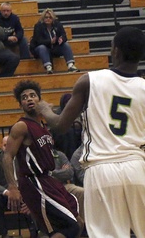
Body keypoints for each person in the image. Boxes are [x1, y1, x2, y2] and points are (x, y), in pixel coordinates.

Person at [36, 26, 145, 237]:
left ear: (116, 51)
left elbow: (60, 126)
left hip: (102, 169)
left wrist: (44, 110)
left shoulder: (90, 80)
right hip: (137, 168)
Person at [3, 80, 81, 238]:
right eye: (24, 97)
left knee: (79, 223)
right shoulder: (22, 126)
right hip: (34, 182)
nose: (29, 99)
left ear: (40, 100)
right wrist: (13, 186)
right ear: (20, 105)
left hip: (49, 180)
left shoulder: (44, 127)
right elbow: (7, 156)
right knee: (68, 227)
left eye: (33, 95)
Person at [29, 9, 78, 74]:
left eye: (50, 17)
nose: (48, 19)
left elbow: (64, 36)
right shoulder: (38, 26)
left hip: (54, 48)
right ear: (43, 18)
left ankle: (70, 65)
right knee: (42, 47)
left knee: (65, 45)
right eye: (46, 17)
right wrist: (50, 41)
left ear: (53, 19)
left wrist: (61, 39)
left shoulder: (58, 25)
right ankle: (48, 67)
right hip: (41, 49)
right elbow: (38, 40)